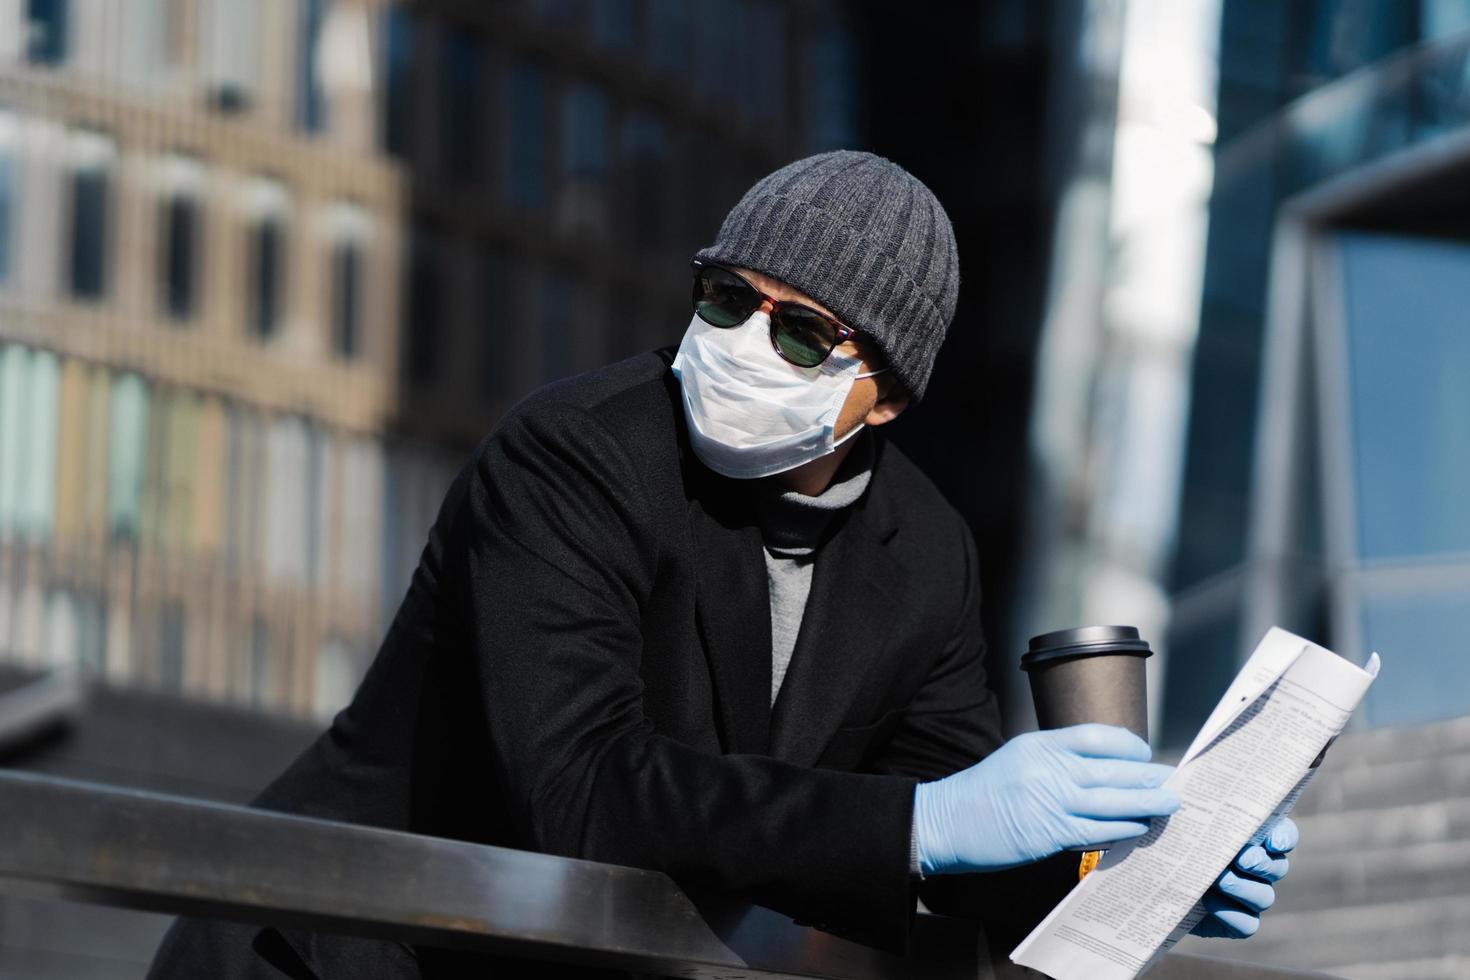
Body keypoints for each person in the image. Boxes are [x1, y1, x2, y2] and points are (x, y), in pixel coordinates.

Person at [147, 150, 1295, 979]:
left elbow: (942, 839)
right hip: (328, 955)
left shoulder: (924, 552)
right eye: (729, 299)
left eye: (801, 334)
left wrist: (1140, 866)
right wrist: (926, 822)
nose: (745, 343)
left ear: (883, 395)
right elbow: (584, 789)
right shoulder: (573, 455)